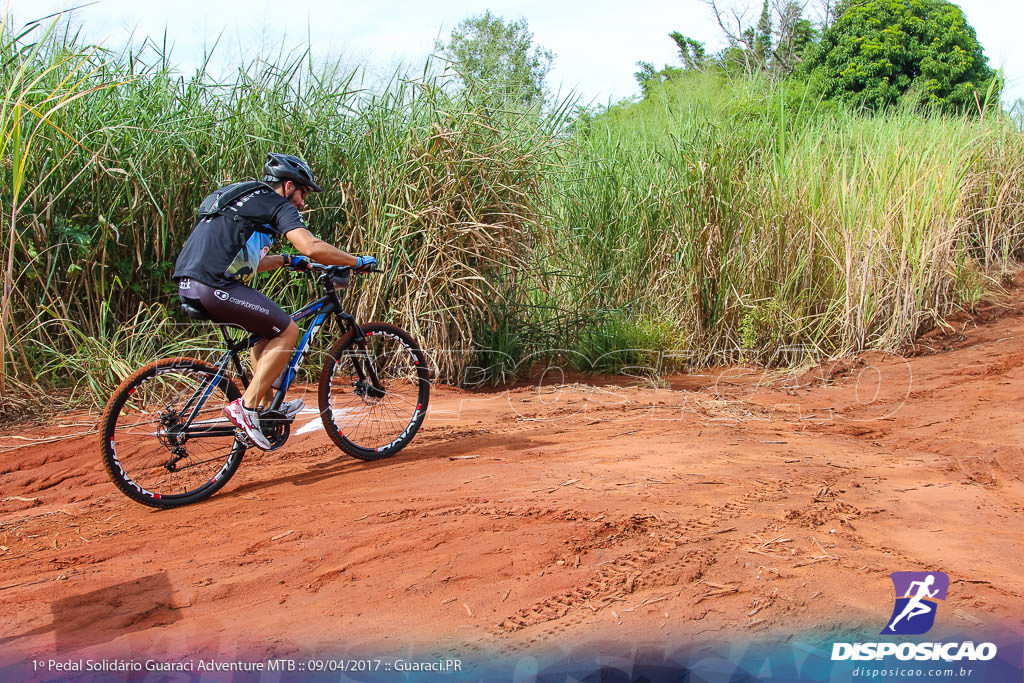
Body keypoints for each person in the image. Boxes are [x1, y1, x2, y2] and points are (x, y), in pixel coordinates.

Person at [173, 152, 377, 449]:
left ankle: (268, 406)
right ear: (289, 185)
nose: (302, 203)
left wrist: (285, 260)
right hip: (214, 284)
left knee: (265, 333)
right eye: (303, 193)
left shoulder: (242, 196)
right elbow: (311, 246)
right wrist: (355, 261)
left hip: (191, 282)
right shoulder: (276, 203)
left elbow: (245, 259)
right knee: (288, 330)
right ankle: (248, 406)